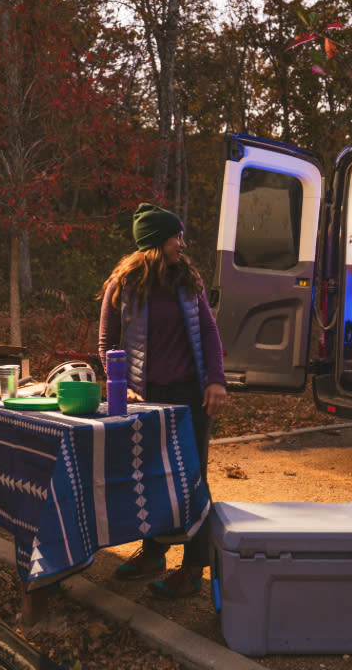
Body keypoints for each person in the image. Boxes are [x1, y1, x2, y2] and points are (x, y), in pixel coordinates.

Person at [97, 202, 228, 600]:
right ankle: (154, 554)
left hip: (189, 396)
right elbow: (107, 343)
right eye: (177, 236)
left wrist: (216, 381)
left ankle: (193, 568)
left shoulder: (188, 280)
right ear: (157, 242)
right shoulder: (122, 284)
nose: (182, 244)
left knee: (191, 481)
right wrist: (121, 386)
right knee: (148, 478)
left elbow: (208, 331)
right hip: (145, 398)